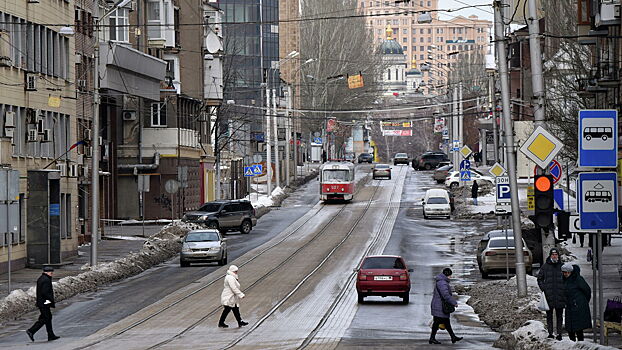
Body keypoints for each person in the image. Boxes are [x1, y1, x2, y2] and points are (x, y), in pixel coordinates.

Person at [537, 248, 566, 340]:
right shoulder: (545, 267)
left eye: (556, 254)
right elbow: (539, 279)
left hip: (560, 295)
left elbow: (567, 278)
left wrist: (564, 289)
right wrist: (544, 288)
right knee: (549, 316)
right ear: (550, 255)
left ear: (558, 256)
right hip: (548, 295)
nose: (554, 256)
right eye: (553, 254)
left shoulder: (562, 266)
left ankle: (559, 334)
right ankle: (550, 333)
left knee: (559, 316)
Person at [429, 268, 462, 345]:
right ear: (447, 275)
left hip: (439, 305)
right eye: (450, 275)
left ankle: (453, 337)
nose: (450, 277)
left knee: (445, 322)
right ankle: (432, 338)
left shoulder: (441, 281)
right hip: (440, 306)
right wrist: (454, 302)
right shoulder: (442, 283)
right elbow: (445, 295)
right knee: (437, 322)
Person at [26, 266, 60, 342]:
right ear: (47, 272)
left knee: (47, 318)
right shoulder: (46, 280)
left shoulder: (42, 278)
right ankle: (31, 331)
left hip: (42, 302)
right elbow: (45, 292)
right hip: (44, 303)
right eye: (51, 273)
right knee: (46, 318)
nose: (52, 274)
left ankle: (50, 335)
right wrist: (50, 300)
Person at [562, 263, 591, 342]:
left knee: (578, 328)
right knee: (570, 328)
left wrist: (582, 302)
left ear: (571, 272)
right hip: (569, 306)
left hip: (578, 306)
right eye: (564, 272)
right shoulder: (564, 280)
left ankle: (580, 344)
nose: (565, 274)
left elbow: (587, 291)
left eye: (567, 272)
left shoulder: (578, 279)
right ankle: (572, 344)